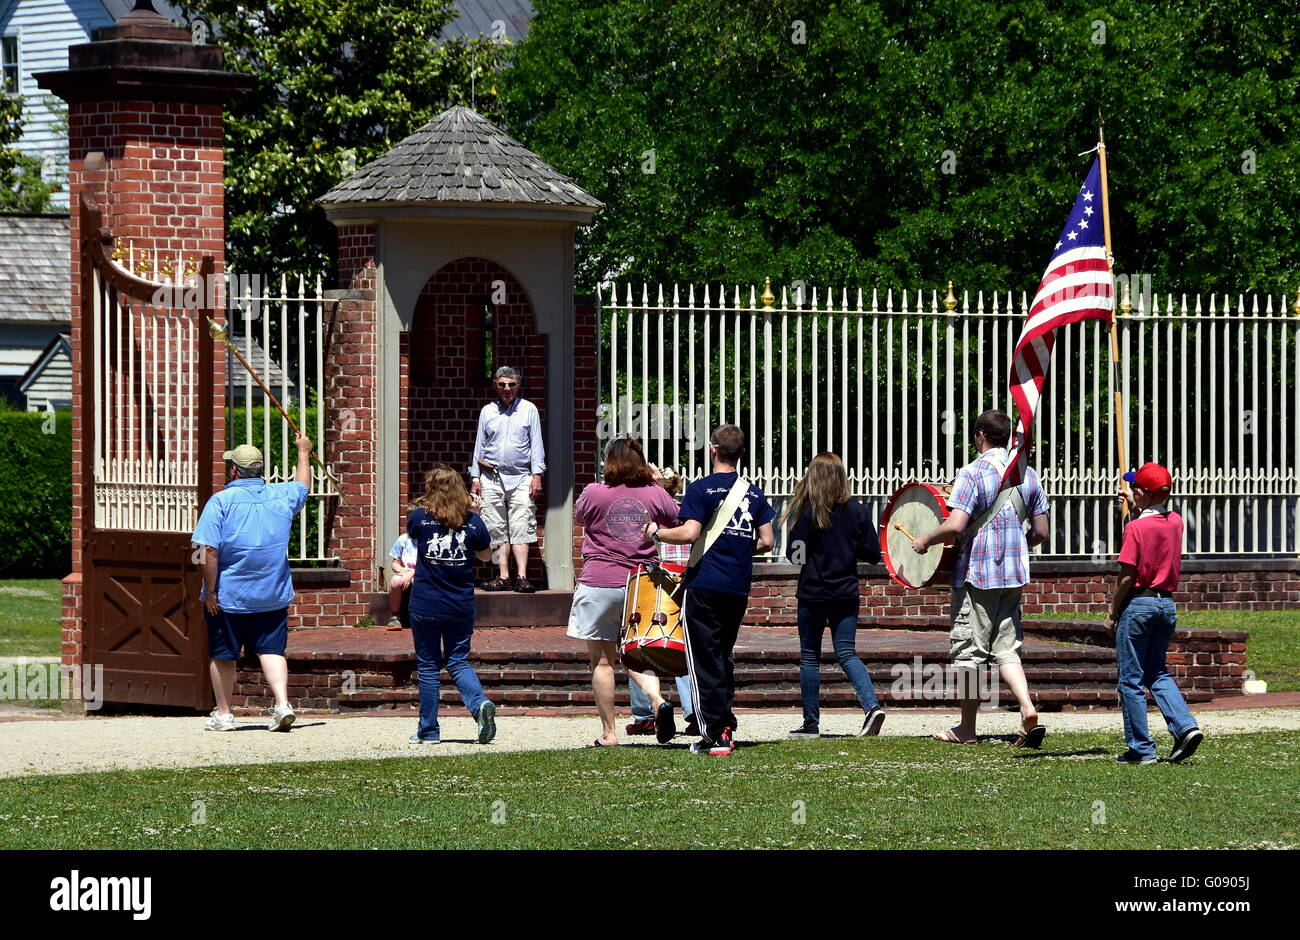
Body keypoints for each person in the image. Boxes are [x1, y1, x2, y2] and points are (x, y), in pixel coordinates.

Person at [911, 410, 1050, 747]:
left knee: (970, 653)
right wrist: (1018, 545)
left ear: (979, 436)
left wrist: (925, 540)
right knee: (1007, 649)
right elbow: (1042, 531)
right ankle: (1027, 707)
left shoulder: (972, 473)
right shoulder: (1027, 474)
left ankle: (967, 728)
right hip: (1014, 575)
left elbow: (957, 525)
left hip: (977, 574)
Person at [644, 425, 775, 756]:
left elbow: (689, 533)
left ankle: (715, 733)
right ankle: (724, 721)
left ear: (713, 450)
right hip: (737, 586)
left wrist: (656, 533)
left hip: (704, 584)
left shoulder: (701, 489)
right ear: (742, 453)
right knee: (722, 656)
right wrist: (738, 547)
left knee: (702, 660)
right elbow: (767, 541)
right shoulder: (756, 494)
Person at [192, 435, 313, 732]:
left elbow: (206, 550)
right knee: (272, 651)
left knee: (223, 655)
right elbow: (303, 486)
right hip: (272, 592)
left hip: (229, 595)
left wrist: (210, 590)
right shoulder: (281, 496)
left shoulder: (220, 501)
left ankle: (224, 713)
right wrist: (303, 452)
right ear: (261, 470)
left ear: (234, 470)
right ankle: (282, 704)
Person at [568, 438, 681, 747]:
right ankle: (658, 702)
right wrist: (659, 486)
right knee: (638, 654)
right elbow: (676, 518)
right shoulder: (655, 493)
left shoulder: (594, 492)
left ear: (610, 462)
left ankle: (609, 734)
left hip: (599, 581)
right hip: (641, 584)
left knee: (602, 662)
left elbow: (581, 517)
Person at [782, 453, 886, 738]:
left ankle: (811, 723)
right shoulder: (857, 511)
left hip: (813, 593)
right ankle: (871, 707)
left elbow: (795, 556)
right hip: (846, 593)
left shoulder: (807, 512)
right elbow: (873, 555)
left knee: (809, 657)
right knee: (847, 652)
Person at [1108, 462, 1204, 765]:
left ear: (1141, 492)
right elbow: (1154, 528)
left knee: (1131, 679)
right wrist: (1134, 508)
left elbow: (1127, 574)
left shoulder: (1135, 528)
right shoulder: (1175, 521)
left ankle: (1141, 749)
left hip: (1138, 604)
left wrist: (1112, 612)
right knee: (1156, 671)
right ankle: (1185, 726)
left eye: (1135, 487)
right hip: (1166, 604)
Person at [406, 465, 498, 745]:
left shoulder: (419, 518)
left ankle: (429, 731)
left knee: (429, 666)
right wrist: (477, 517)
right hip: (460, 604)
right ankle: (479, 703)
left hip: (425, 604)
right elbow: (484, 556)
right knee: (458, 661)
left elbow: (412, 539)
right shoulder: (472, 522)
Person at [626, 464, 698, 737]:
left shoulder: (647, 516)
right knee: (682, 648)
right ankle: (692, 712)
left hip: (654, 586)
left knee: (638, 645)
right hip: (684, 583)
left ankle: (645, 714)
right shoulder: (688, 512)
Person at [469, 366, 545, 593]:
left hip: (521, 476)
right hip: (491, 476)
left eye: (511, 384)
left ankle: (521, 577)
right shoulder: (487, 411)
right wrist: (475, 477)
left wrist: (537, 474)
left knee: (522, 524)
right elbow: (479, 446)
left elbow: (536, 444)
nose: (507, 389)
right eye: (502, 384)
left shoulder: (528, 409)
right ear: (496, 386)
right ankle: (502, 576)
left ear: (518, 385)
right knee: (495, 527)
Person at [386, 531, 418, 630]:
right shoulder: (403, 539)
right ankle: (395, 617)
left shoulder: (426, 538)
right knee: (395, 581)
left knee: (415, 582)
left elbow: (429, 565)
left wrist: (412, 573)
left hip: (422, 573)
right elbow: (395, 563)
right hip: (405, 573)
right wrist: (401, 570)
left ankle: (418, 617)